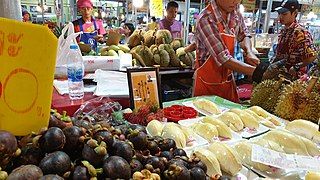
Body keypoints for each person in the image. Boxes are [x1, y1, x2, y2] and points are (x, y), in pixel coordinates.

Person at [193, 0, 269, 102]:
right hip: (207, 84)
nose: (236, 2)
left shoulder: (235, 11)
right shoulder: (206, 18)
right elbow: (223, 58)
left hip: (227, 81)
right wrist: (256, 72)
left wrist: (249, 52)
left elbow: (244, 34)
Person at [267, 0, 317, 80]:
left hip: (294, 80)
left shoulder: (300, 32)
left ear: (295, 13)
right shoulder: (283, 31)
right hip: (280, 76)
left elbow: (312, 56)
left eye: (284, 14)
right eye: (279, 14)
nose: (281, 17)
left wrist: (296, 67)